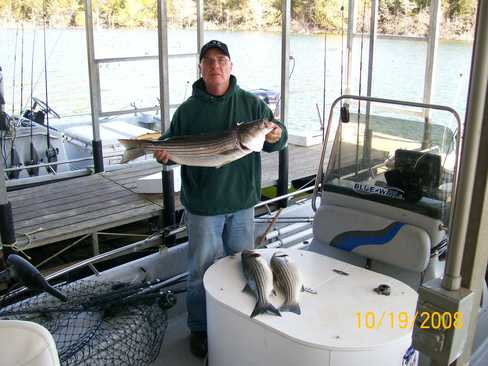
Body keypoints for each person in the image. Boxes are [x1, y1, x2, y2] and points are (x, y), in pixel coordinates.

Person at [154, 40, 287, 358]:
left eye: (222, 60)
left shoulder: (251, 105)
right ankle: (200, 327)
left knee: (246, 265)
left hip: (241, 202)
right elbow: (172, 149)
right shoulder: (188, 110)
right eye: (209, 60)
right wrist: (164, 155)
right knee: (200, 270)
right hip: (202, 207)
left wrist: (277, 132)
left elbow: (273, 136)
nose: (215, 65)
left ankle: (241, 318)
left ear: (231, 66)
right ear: (200, 67)